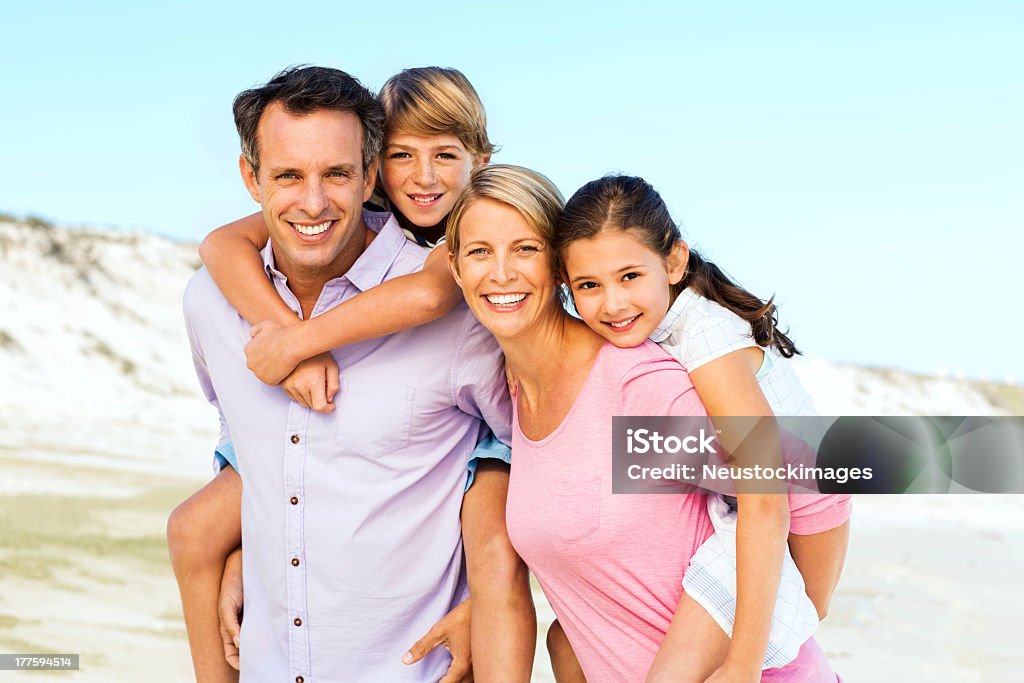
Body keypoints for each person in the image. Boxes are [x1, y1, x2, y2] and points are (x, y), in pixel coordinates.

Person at [168, 66, 535, 683]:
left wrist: (491, 603)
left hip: (414, 664)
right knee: (191, 529)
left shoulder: (471, 288)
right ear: (250, 177)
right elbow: (245, 429)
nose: (312, 202)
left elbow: (555, 444)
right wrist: (242, 546)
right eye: (287, 175)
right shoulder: (210, 301)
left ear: (365, 178)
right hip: (269, 666)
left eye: (336, 173)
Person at [444, 164, 849, 682]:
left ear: (554, 266)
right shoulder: (509, 391)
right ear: (456, 268)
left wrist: (808, 606)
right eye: (480, 251)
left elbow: (809, 476)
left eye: (524, 248)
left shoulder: (633, 387)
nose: (501, 272)